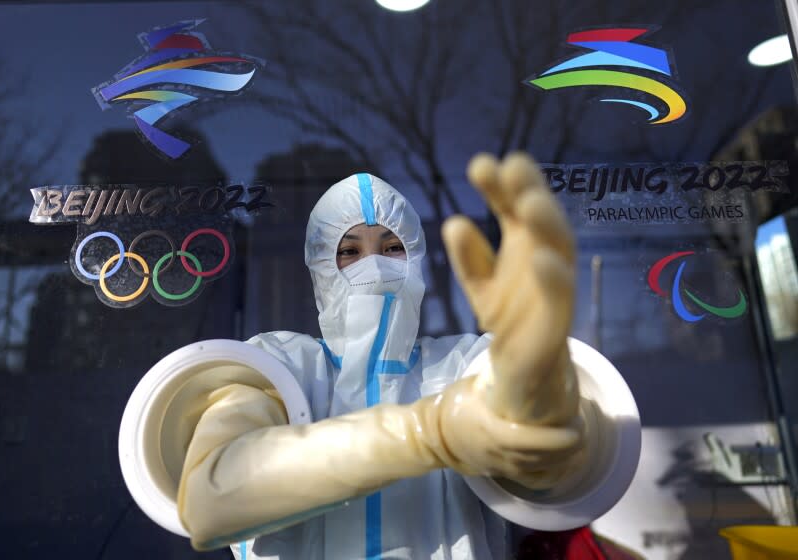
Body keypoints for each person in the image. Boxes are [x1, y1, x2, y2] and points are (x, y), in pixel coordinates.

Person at [176, 152, 585, 559]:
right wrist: (432, 433)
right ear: (320, 268)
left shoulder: (464, 364)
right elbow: (209, 501)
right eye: (349, 252)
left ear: (417, 259)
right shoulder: (278, 366)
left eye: (391, 248)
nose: (373, 264)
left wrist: (541, 385)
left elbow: (558, 470)